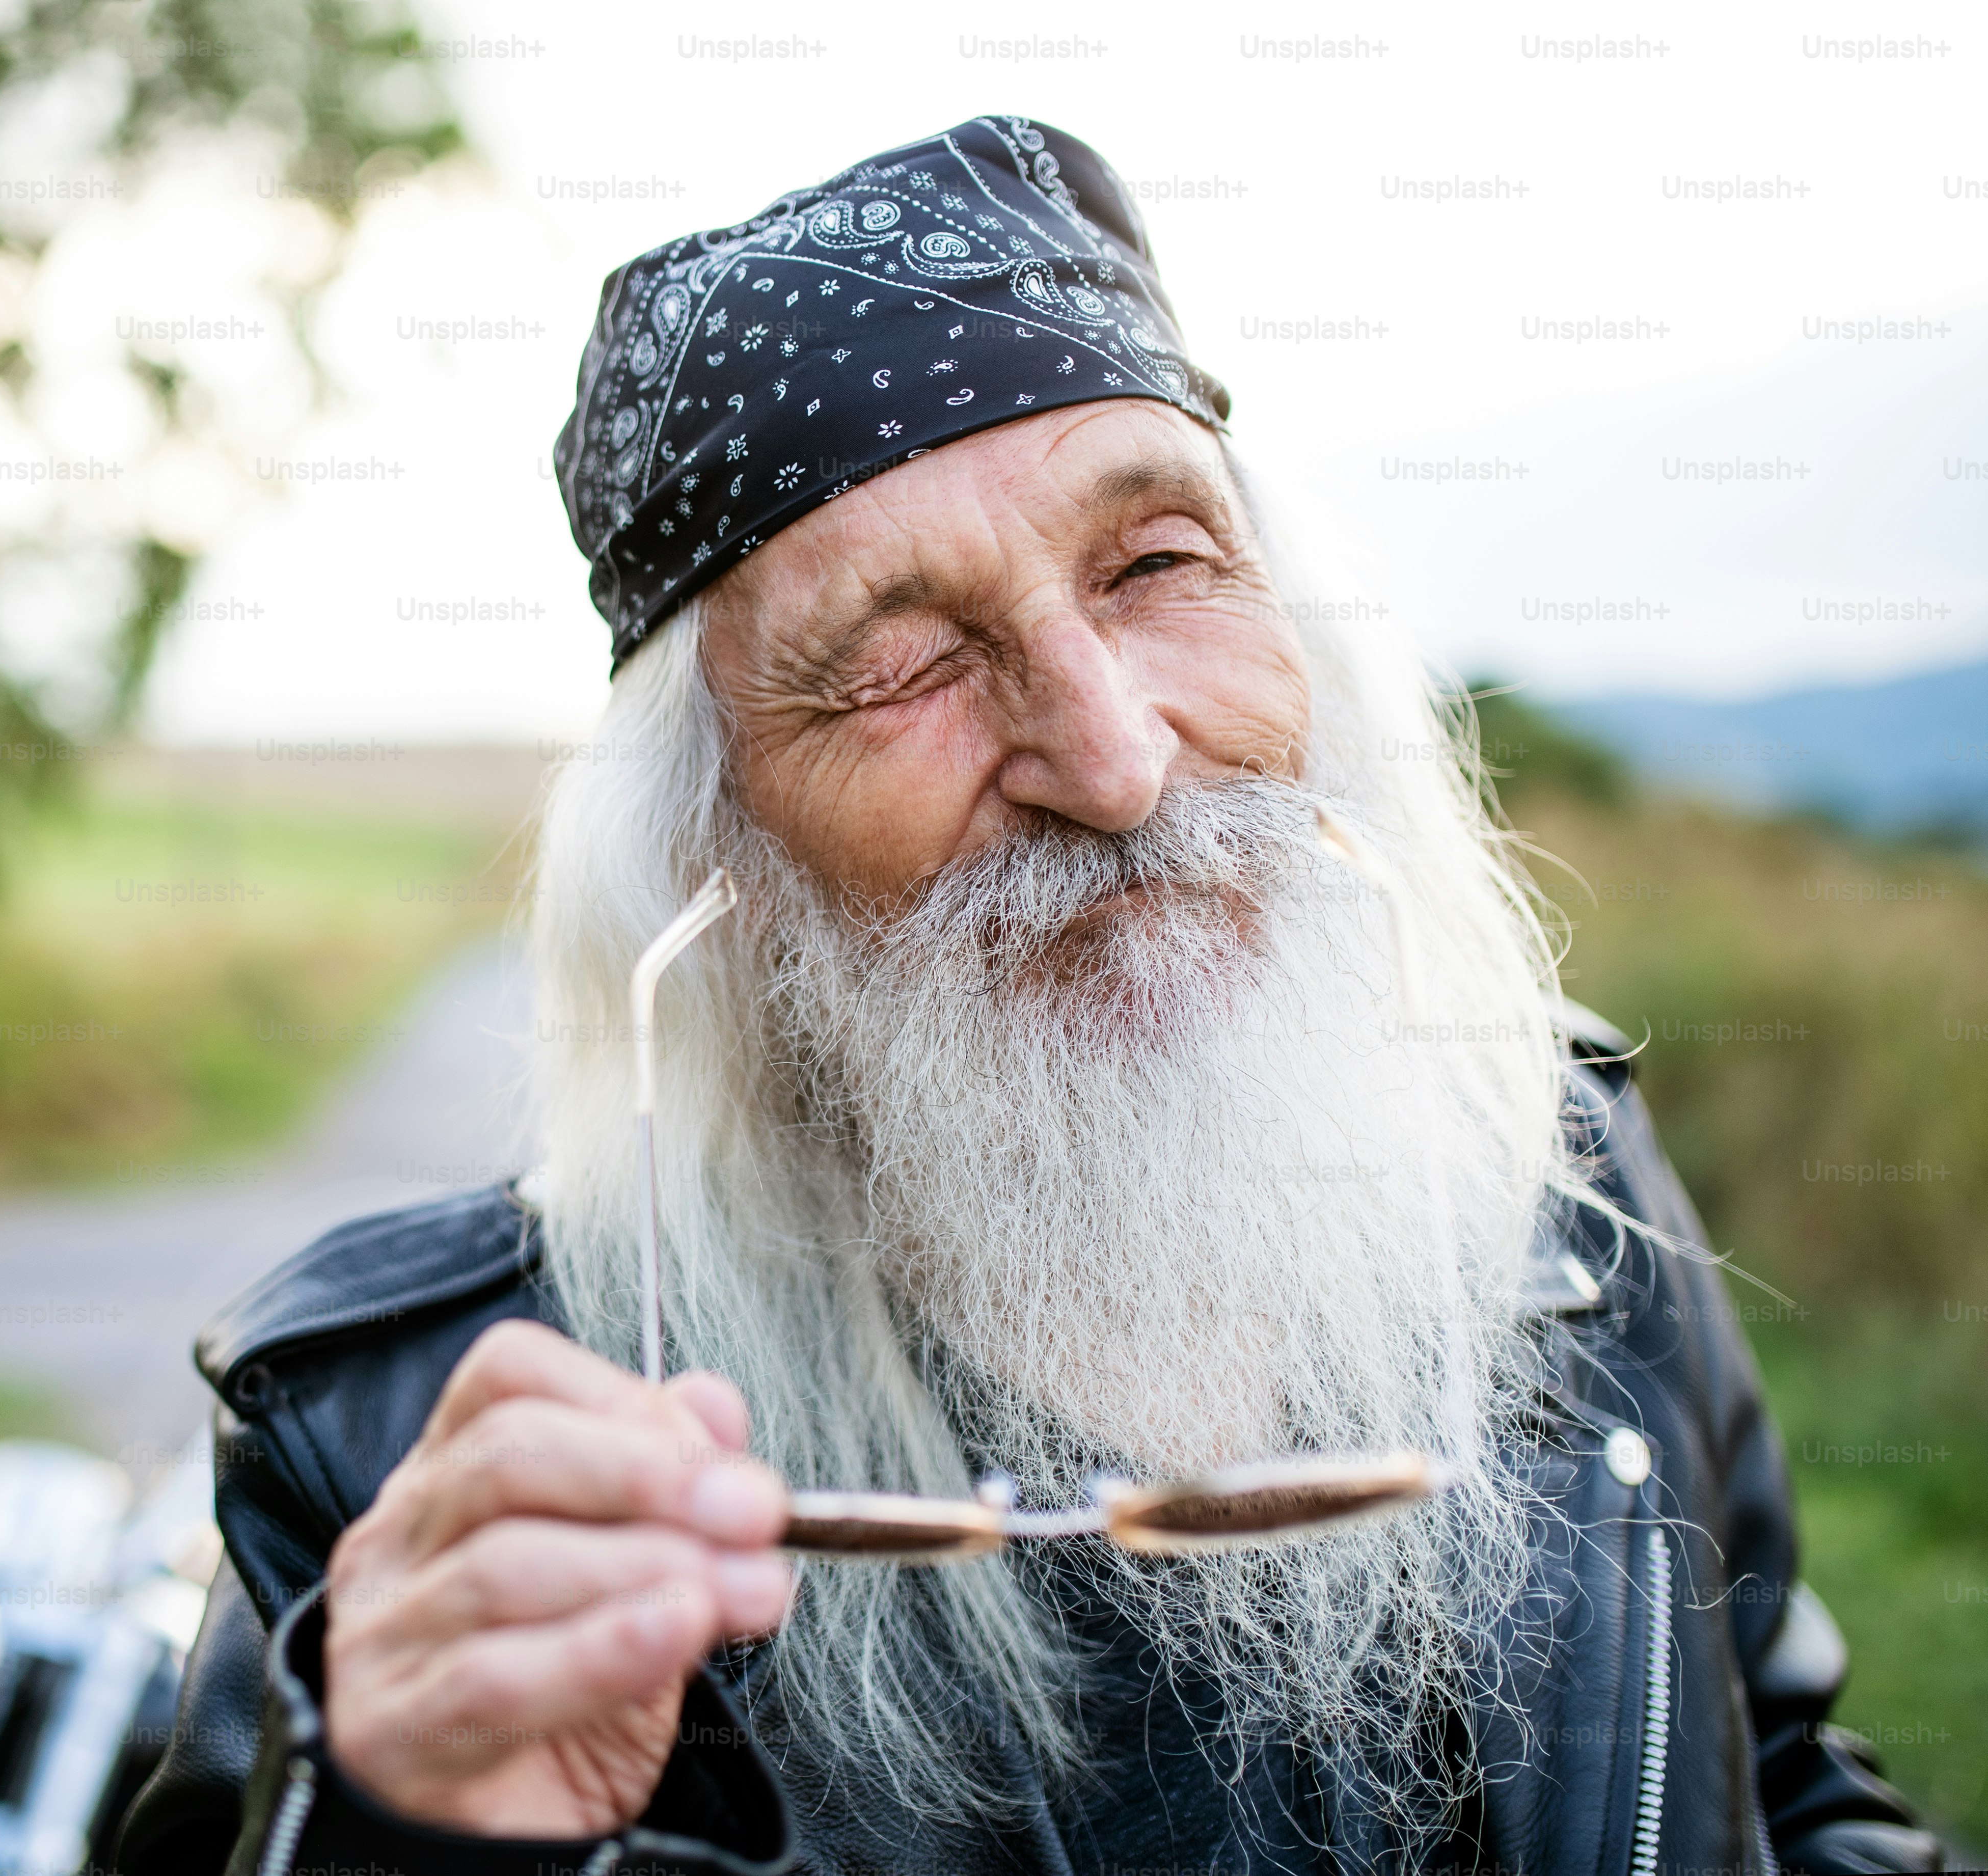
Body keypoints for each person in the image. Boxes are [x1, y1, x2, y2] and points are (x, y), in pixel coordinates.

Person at [113, 117, 1939, 1874]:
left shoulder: (1552, 1160)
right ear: (707, 850)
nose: (1118, 762)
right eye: (901, 666)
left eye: (1158, 566)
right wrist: (398, 1830)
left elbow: (1778, 1770)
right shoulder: (405, 1445)